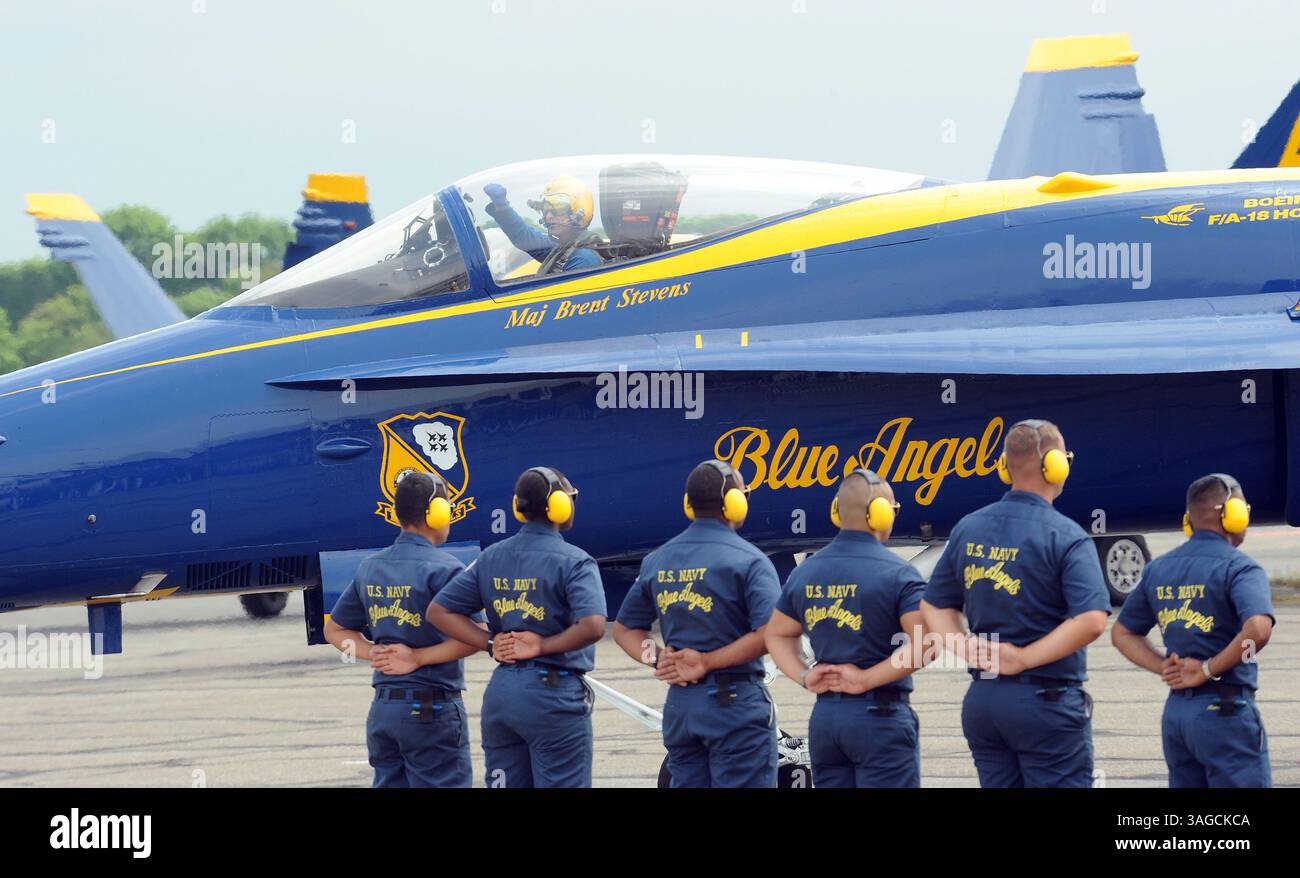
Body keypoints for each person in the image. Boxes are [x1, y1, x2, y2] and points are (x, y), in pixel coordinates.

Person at [921, 419, 1110, 788]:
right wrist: (1023, 658)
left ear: (1004, 466)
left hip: (985, 701)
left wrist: (966, 648)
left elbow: (934, 606)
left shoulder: (968, 528)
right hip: (1045, 702)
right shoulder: (1067, 536)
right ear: (1057, 465)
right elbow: (1091, 620)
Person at [427, 466, 606, 788]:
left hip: (502, 694)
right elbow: (593, 626)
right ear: (559, 505)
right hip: (553, 696)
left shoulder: (491, 557)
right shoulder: (575, 561)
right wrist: (543, 645)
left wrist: (492, 644)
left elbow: (439, 611)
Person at [611, 459, 781, 788]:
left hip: (682, 706)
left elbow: (625, 629)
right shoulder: (749, 560)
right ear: (735, 502)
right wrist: (705, 662)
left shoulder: (657, 560)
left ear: (688, 505)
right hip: (734, 706)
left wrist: (661, 659)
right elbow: (771, 633)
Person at [766, 469, 928, 787]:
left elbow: (776, 633)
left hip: (827, 721)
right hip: (880, 717)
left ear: (835, 512)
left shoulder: (806, 572)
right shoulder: (898, 573)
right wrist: (867, 678)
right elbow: (928, 643)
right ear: (880, 514)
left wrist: (804, 675)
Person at [1111, 473, 1275, 787]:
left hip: (1177, 716)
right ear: (1233, 513)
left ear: (1190, 520)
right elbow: (1258, 630)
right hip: (1225, 712)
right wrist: (1208, 668)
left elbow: (1122, 633)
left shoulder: (1158, 569)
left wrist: (1164, 667)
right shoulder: (1239, 567)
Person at [323, 471, 480, 788]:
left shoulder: (371, 567)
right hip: (430, 710)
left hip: (384, 711)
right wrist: (417, 657)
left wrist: (372, 653)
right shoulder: (445, 568)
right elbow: (474, 637)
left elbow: (335, 630)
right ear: (437, 513)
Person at [482, 175, 601, 273]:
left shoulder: (584, 260)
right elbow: (524, 237)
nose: (549, 216)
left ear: (579, 211)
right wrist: (502, 208)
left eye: (558, 208)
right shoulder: (563, 248)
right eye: (545, 209)